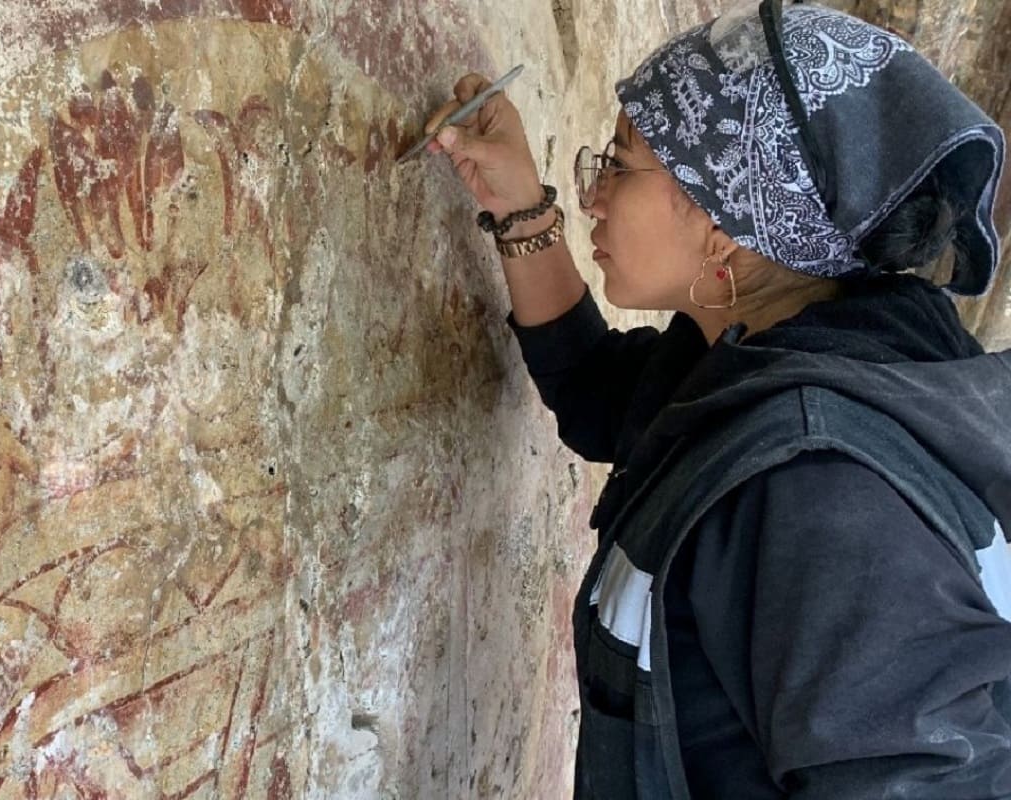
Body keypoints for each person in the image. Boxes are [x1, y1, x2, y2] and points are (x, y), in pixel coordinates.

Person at [422, 1, 1011, 797]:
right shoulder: (786, 345)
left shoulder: (818, 488)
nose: (592, 194)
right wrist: (520, 207)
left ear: (723, 224)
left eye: (621, 165)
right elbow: (601, 396)